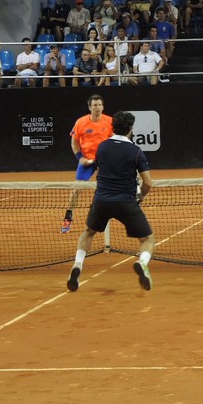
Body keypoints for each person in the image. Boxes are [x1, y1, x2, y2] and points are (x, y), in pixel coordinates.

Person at [66, 110, 155, 292]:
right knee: (147, 238)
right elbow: (148, 182)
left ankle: (77, 265)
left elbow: (100, 170)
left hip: (102, 200)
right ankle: (142, 262)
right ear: (131, 129)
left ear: (113, 128)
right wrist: (140, 197)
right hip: (126, 202)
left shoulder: (102, 147)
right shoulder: (136, 151)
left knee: (88, 232)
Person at [62, 94, 114, 234]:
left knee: (106, 188)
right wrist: (80, 157)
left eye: (99, 105)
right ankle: (68, 217)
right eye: (94, 105)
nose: (97, 108)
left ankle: (100, 215)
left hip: (104, 161)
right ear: (89, 107)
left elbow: (117, 140)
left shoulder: (110, 121)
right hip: (86, 160)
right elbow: (74, 142)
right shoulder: (81, 122)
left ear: (103, 107)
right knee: (76, 189)